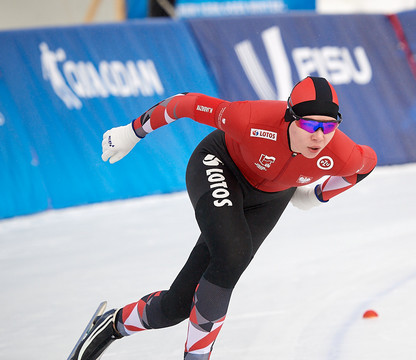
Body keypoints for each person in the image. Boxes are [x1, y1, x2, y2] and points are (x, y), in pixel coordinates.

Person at [71, 76, 377, 360]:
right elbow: (184, 103)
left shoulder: (342, 152)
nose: (320, 136)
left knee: (176, 307)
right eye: (310, 125)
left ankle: (112, 324)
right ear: (289, 118)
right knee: (234, 254)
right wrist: (132, 131)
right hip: (220, 165)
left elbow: (365, 165)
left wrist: (319, 195)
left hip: (270, 198)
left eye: (329, 126)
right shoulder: (249, 118)